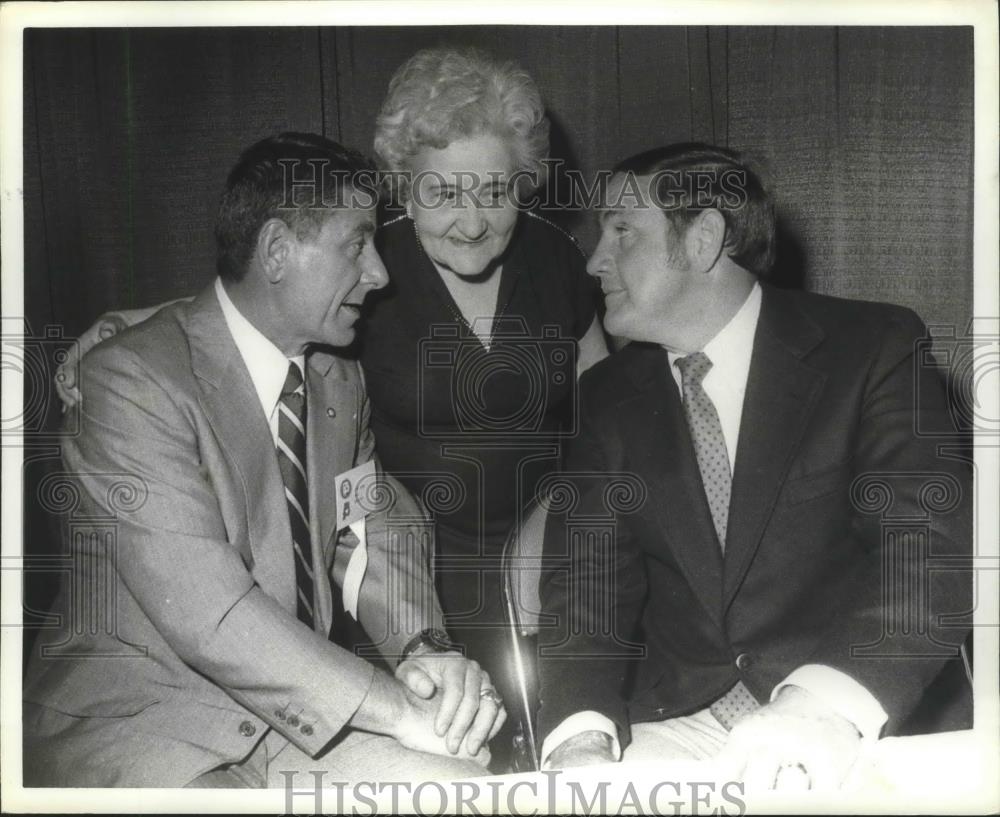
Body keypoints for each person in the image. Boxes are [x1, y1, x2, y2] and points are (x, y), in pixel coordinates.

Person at [54, 47, 609, 769]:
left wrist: (561, 507)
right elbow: (252, 305)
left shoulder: (554, 259)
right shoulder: (369, 279)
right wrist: (134, 324)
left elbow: (606, 397)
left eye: (497, 191)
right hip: (389, 573)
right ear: (405, 189)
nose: (474, 221)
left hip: (521, 563)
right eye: (445, 195)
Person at [24, 133, 504, 788]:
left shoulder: (337, 378)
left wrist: (425, 651)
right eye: (357, 243)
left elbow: (366, 525)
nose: (380, 273)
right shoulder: (129, 380)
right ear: (277, 250)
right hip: (138, 721)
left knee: (464, 786)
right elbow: (209, 611)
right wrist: (395, 709)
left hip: (281, 718)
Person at [536, 143, 972, 789]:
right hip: (677, 727)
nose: (596, 260)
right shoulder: (605, 397)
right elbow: (584, 599)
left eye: (622, 230)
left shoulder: (875, 347)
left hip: (852, 711)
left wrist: (818, 706)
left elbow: (928, 554)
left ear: (706, 237)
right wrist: (581, 737)